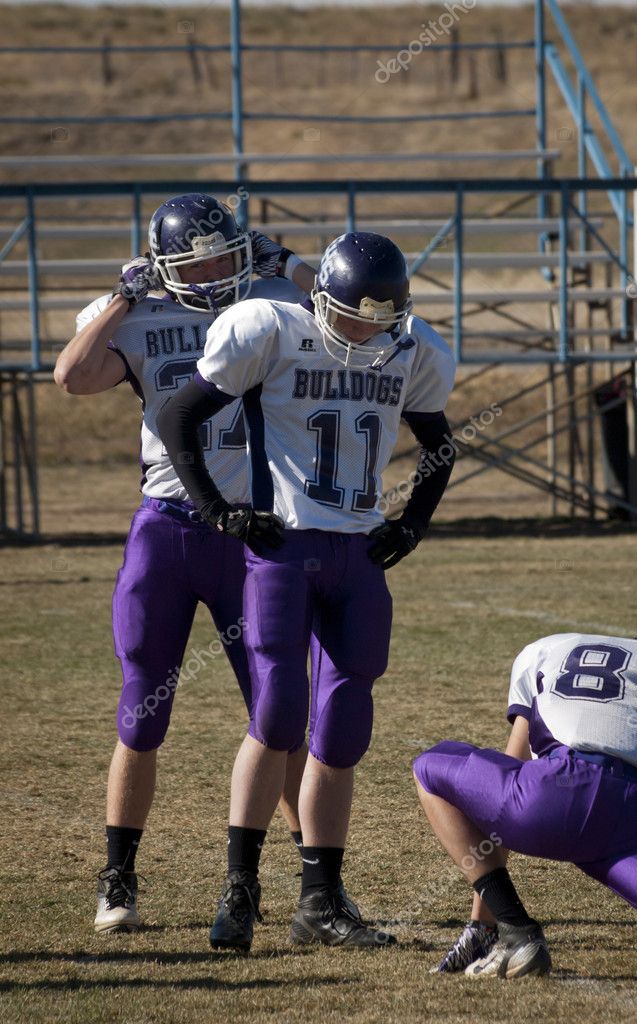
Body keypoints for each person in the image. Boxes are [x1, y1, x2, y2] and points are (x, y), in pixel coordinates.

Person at [156, 231, 457, 948]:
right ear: (319, 299)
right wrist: (216, 509)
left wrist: (412, 524)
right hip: (283, 547)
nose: (363, 332)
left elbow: (440, 446)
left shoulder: (415, 349)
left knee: (346, 725)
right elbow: (178, 418)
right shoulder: (272, 329)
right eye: (352, 316)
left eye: (378, 320)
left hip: (357, 552)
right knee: (279, 715)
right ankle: (241, 887)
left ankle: (320, 902)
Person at [54, 193, 327, 946]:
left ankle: (318, 884)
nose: (212, 273)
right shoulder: (137, 316)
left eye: (223, 255)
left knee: (280, 716)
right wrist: (122, 294)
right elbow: (72, 377)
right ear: (166, 265)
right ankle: (119, 876)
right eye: (195, 260)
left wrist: (292, 263)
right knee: (142, 712)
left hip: (254, 532)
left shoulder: (274, 297)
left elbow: (355, 315)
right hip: (170, 530)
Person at [413, 630, 637, 978]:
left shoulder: (554, 651)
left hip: (552, 795)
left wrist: (486, 920)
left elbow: (497, 804)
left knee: (429, 767)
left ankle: (512, 927)